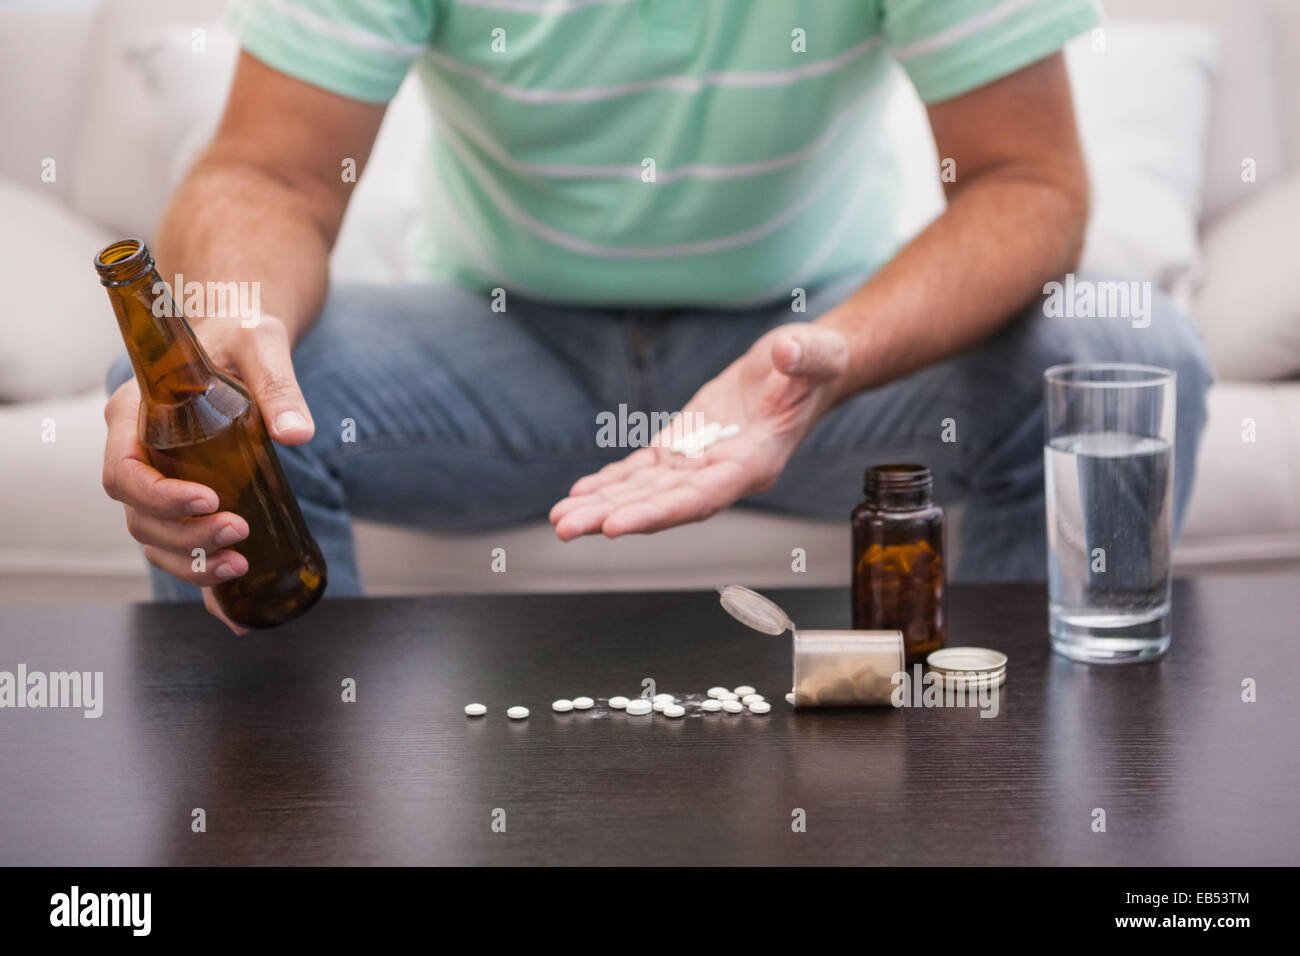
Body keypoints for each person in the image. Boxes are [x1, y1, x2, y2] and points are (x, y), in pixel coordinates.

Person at [103, 0, 1211, 631]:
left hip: (810, 353)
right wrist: (222, 329)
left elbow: (1028, 180)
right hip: (502, 349)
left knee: (1127, 353)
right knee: (199, 396)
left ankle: (1012, 788)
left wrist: (840, 354)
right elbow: (267, 176)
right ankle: (284, 804)